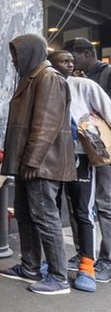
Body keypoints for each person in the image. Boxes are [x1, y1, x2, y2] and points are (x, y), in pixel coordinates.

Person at [0, 34, 74, 295]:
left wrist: (32, 158)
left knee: (44, 216)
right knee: (26, 212)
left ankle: (58, 276)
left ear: (29, 52)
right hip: (29, 163)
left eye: (16, 54)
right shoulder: (33, 78)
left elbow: (46, 124)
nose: (14, 60)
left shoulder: (48, 78)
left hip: (41, 164)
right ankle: (30, 266)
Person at [48, 50, 111, 292]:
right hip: (54, 156)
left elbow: (108, 111)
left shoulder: (84, 85)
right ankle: (61, 260)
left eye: (71, 60)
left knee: (83, 208)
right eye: (63, 60)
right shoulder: (48, 85)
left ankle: (88, 266)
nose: (70, 64)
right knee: (57, 208)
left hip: (81, 155)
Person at [65, 38, 111, 283]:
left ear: (86, 53)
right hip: (81, 150)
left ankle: (107, 259)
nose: (71, 64)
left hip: (101, 148)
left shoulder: (106, 75)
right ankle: (85, 253)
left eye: (73, 58)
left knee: (105, 204)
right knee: (79, 205)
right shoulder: (79, 78)